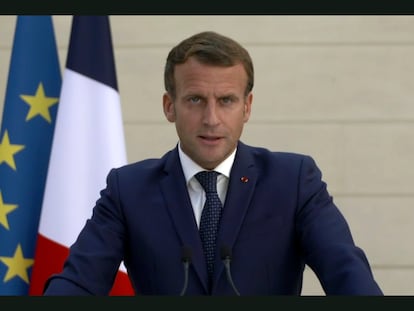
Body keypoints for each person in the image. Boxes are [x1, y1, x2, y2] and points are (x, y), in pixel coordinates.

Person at [43, 31, 383, 296]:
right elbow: (78, 284)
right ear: (169, 106)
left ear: (247, 107)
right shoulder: (127, 190)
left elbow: (347, 274)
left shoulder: (294, 181)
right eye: (195, 100)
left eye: (226, 101)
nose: (211, 118)